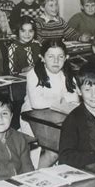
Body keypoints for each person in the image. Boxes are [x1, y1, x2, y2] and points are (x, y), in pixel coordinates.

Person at [21, 39, 80, 167]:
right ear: (42, 58)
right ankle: (36, 176)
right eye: (50, 56)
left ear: (66, 58)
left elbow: (75, 100)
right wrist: (61, 101)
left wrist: (57, 102)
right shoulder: (34, 74)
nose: (56, 61)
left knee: (72, 145)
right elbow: (37, 104)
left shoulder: (67, 74)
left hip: (58, 119)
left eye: (60, 57)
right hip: (33, 120)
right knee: (54, 152)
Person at [0, 92, 34, 180]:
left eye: (4, 113)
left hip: (21, 186)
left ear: (11, 116)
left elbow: (28, 170)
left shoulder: (19, 138)